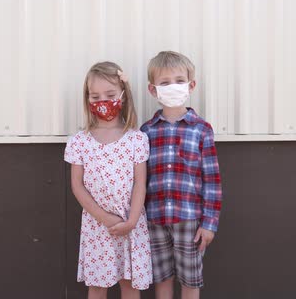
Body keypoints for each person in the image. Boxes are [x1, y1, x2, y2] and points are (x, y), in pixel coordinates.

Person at [65, 61, 152, 298]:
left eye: (110, 94)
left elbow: (140, 183)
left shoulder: (136, 139)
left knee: (129, 284)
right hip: (97, 226)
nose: (102, 101)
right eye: (95, 96)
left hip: (131, 223)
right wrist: (105, 218)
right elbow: (77, 186)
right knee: (97, 286)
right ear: (88, 99)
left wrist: (131, 220)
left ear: (123, 96)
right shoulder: (79, 142)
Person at [140, 51, 223, 299]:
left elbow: (212, 181)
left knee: (190, 280)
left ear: (191, 85)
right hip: (154, 220)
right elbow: (140, 179)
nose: (172, 87)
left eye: (179, 80)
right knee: (162, 279)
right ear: (153, 90)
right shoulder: (146, 131)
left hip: (189, 220)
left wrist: (209, 224)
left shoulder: (201, 129)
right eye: (164, 83)